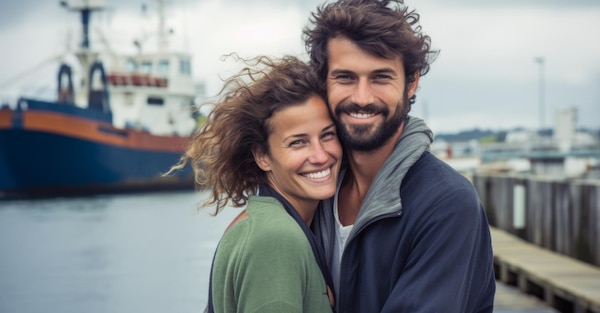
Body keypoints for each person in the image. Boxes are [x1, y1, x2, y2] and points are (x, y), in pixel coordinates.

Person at [303, 0, 496, 312]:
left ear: (411, 82)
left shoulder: (447, 205)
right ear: (323, 81)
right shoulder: (313, 187)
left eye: (380, 77)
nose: (362, 98)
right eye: (345, 77)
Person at [170, 56, 340, 313]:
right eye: (298, 142)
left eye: (327, 135)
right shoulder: (276, 238)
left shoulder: (259, 221)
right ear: (262, 156)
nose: (320, 155)